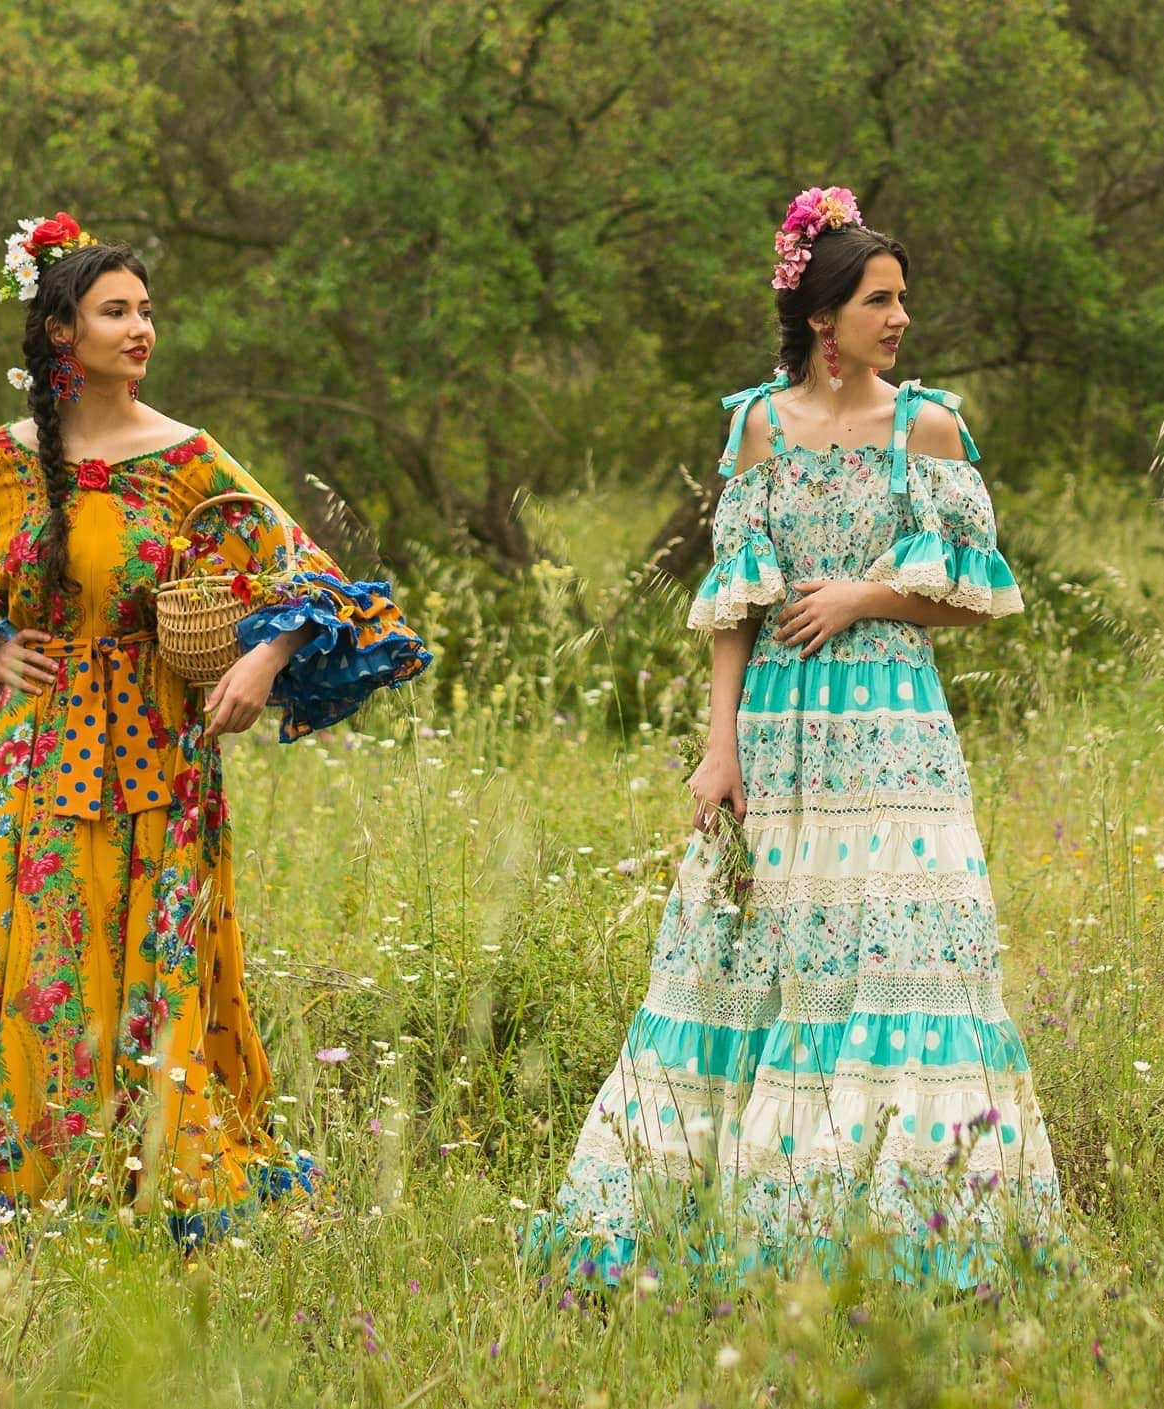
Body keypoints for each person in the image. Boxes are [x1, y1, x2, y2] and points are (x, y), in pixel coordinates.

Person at [0, 212, 430, 1284]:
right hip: (23, 764)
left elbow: (313, 579)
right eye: (115, 310)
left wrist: (261, 661)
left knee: (142, 972)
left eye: (146, 311)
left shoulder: (186, 459)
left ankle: (129, 1183)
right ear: (59, 332)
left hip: (156, 763)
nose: (141, 328)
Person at [530, 187, 1060, 1288]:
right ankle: (732, 1231)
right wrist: (715, 746)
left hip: (892, 734)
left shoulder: (928, 425)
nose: (899, 317)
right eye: (879, 299)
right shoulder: (756, 425)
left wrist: (865, 596)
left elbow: (972, 597)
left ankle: (919, 1241)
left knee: (903, 956)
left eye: (902, 298)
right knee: (748, 958)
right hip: (773, 724)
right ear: (822, 316)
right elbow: (732, 605)